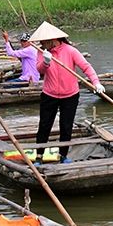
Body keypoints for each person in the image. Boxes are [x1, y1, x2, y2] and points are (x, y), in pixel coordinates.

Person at [30, 21, 104, 165]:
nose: (41, 44)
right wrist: (45, 61)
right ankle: (39, 156)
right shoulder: (42, 52)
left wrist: (96, 82)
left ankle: (62, 156)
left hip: (70, 95)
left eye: (43, 41)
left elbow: (86, 67)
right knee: (44, 125)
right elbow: (39, 71)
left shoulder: (70, 51)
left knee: (66, 126)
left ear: (52, 40)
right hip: (49, 95)